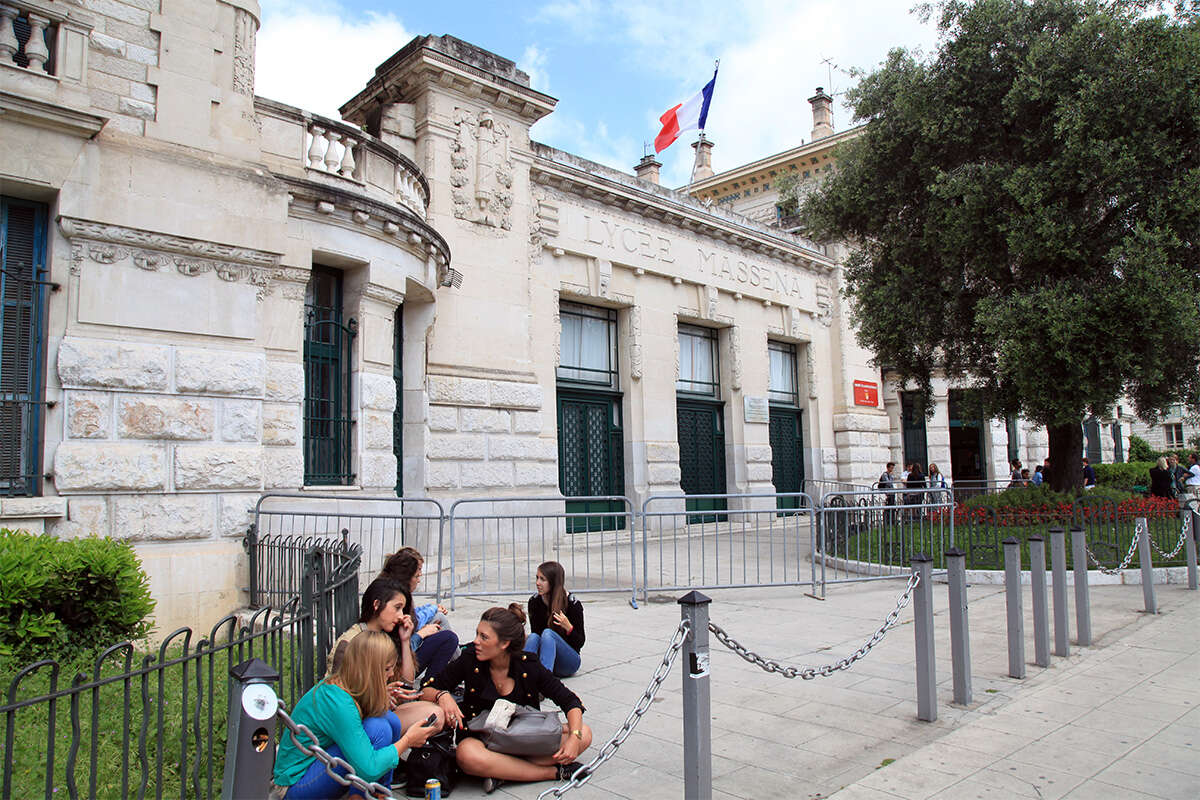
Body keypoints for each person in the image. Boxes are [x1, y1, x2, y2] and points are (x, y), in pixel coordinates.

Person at [422, 605, 594, 795]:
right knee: (466, 755)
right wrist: (442, 695)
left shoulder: (529, 664)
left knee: (584, 733)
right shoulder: (470, 659)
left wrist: (574, 737)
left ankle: (502, 770)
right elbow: (427, 688)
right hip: (483, 740)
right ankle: (551, 772)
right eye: (477, 634)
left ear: (504, 643)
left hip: (524, 736)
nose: (476, 641)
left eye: (484, 637)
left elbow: (570, 702)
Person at [271, 631, 437, 799]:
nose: (391, 674)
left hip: (315, 767)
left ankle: (380, 793)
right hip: (295, 785)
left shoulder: (346, 683)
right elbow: (369, 768)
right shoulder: (338, 701)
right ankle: (359, 796)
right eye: (387, 669)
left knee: (390, 720)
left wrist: (380, 695)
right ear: (369, 670)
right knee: (378, 728)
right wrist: (408, 740)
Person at [327, 577, 445, 734]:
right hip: (356, 720)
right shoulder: (351, 643)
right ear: (377, 605)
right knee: (431, 715)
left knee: (436, 713)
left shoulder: (387, 636)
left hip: (380, 709)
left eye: (403, 610)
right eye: (397, 608)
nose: (401, 616)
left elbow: (407, 682)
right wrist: (379, 697)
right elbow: (339, 700)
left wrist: (405, 641)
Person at [380, 547, 460, 680]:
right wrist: (421, 634)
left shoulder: (394, 594)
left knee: (440, 622)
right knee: (449, 638)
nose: (419, 580)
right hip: (395, 671)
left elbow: (413, 620)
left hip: (402, 659)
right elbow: (395, 651)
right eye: (417, 575)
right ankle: (436, 682)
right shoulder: (389, 599)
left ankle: (459, 664)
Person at [525, 561, 585, 677]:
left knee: (548, 634)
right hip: (545, 657)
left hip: (568, 662)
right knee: (533, 637)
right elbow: (536, 634)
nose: (537, 583)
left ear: (553, 582)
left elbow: (579, 643)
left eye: (542, 579)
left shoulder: (572, 604)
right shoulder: (534, 602)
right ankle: (524, 676)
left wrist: (569, 628)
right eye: (537, 578)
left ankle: (544, 681)